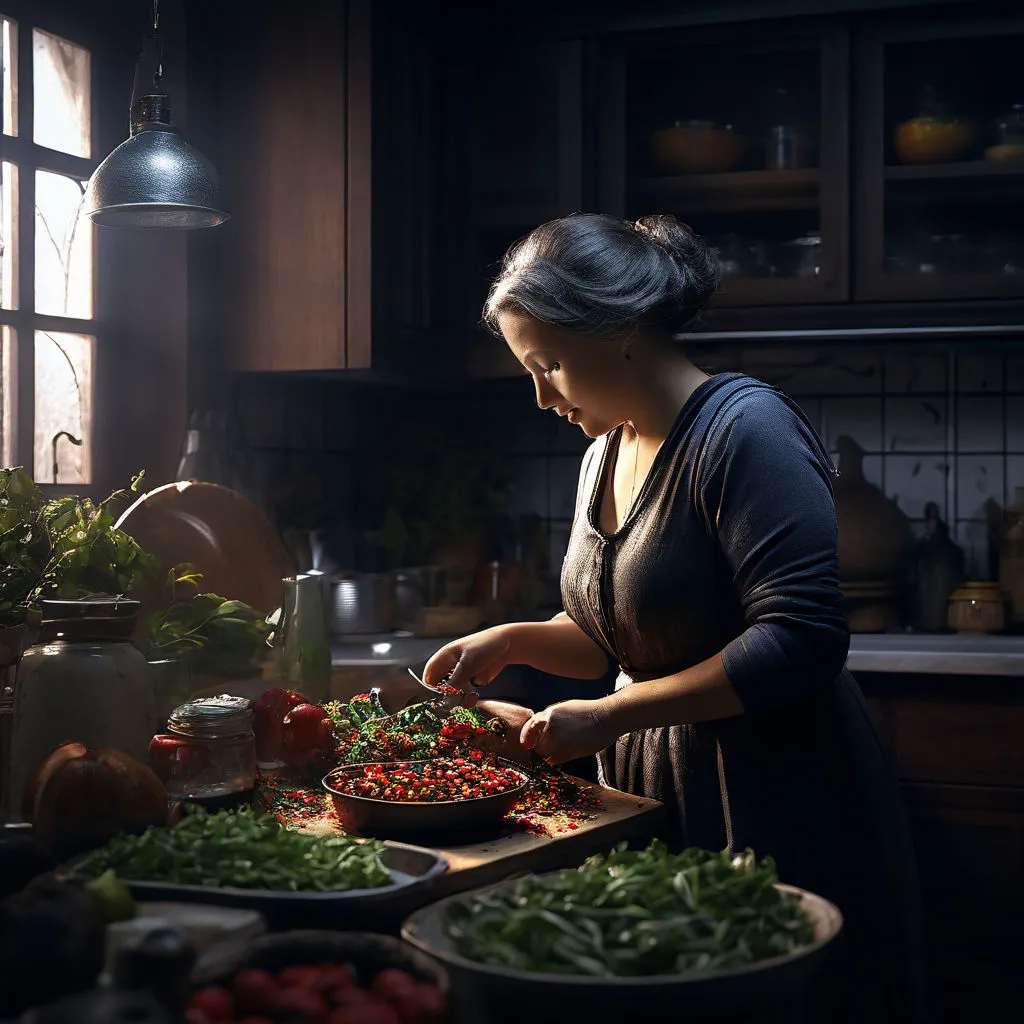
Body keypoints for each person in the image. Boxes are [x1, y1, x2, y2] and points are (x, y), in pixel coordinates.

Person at [423, 213, 929, 1023]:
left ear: (621, 330)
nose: (540, 396)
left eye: (549, 364)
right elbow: (619, 633)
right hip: (647, 780)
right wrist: (517, 637)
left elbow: (801, 641)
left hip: (770, 786)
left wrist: (614, 713)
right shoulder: (604, 448)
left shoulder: (745, 429)